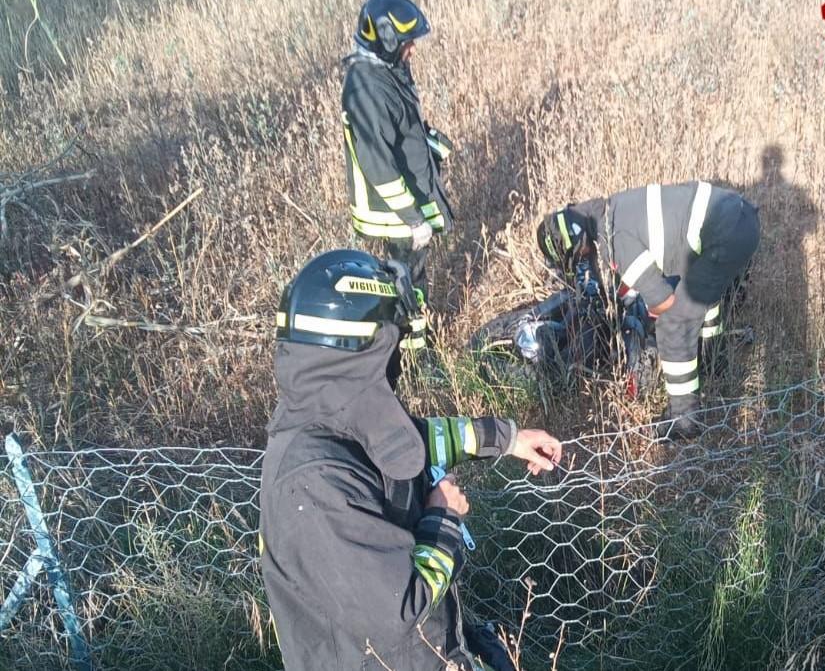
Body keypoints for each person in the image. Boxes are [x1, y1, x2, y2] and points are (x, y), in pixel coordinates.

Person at [260, 250, 563, 670]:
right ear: (363, 349)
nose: (397, 362)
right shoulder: (314, 482)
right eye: (391, 348)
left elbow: (403, 448)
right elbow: (399, 610)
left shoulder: (335, 416)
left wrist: (507, 438)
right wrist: (444, 520)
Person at [536, 181, 760, 439]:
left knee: (673, 325)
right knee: (701, 299)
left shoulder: (613, 240)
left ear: (574, 244)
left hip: (727, 235)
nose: (584, 258)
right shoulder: (614, 210)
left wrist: (650, 324)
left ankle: (683, 421)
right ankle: (714, 361)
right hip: (740, 218)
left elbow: (664, 304)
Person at [341, 0, 455, 352]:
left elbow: (401, 126)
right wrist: (412, 219)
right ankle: (414, 358)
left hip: (409, 202)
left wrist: (430, 142)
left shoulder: (387, 69)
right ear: (388, 41)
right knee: (407, 283)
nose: (412, 52)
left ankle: (412, 346)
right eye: (407, 44)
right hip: (393, 213)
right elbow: (378, 164)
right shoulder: (365, 88)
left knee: (412, 277)